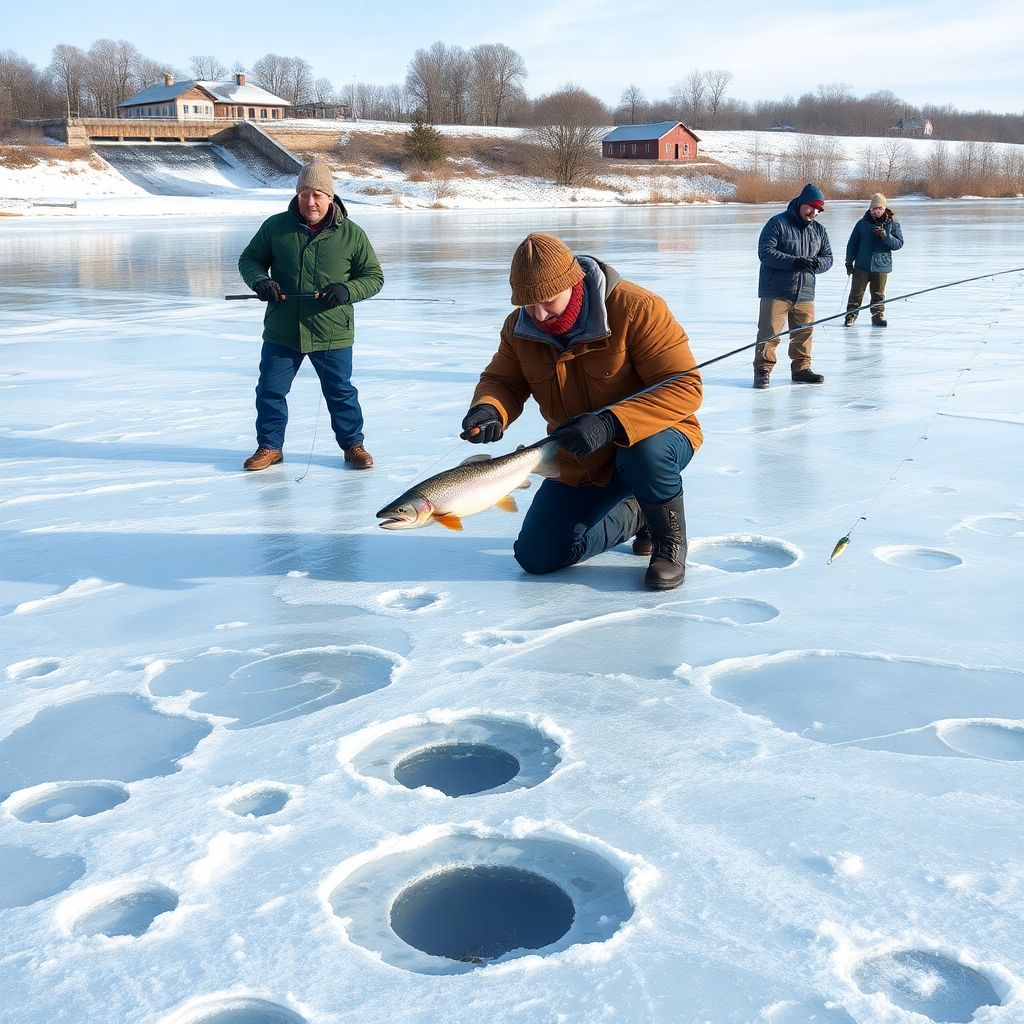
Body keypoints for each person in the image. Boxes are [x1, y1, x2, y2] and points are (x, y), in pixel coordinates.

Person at [460, 233, 702, 590]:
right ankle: (638, 515)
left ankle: (668, 541)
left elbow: (684, 387)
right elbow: (502, 380)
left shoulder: (637, 308)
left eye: (547, 301)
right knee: (537, 557)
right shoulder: (519, 327)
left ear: (573, 283)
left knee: (644, 455)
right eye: (528, 304)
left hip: (657, 438)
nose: (538, 314)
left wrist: (610, 422)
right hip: (579, 457)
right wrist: (488, 408)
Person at [238, 156, 383, 471]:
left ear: (331, 198)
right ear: (297, 196)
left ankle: (353, 446)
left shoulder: (352, 234)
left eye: (318, 195)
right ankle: (269, 447)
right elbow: (249, 260)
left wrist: (347, 291)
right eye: (305, 195)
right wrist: (261, 281)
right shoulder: (276, 227)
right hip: (283, 329)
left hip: (332, 329)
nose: (311, 201)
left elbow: (373, 277)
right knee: (270, 390)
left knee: (340, 391)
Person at [752, 183, 833, 389]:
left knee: (804, 333)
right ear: (801, 203)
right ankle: (763, 370)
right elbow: (765, 252)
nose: (814, 212)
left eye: (818, 210)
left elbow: (828, 258)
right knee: (769, 332)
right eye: (811, 207)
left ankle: (801, 369)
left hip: (805, 292)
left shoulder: (819, 231)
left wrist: (817, 264)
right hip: (776, 291)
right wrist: (794, 262)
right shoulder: (777, 223)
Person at [844, 192, 904, 328]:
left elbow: (898, 244)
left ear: (884, 209)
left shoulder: (893, 224)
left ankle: (877, 316)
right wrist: (849, 261)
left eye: (879, 209)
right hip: (861, 266)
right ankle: (851, 316)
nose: (876, 211)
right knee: (856, 293)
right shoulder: (862, 224)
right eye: (874, 209)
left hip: (881, 266)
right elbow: (852, 244)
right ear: (870, 209)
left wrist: (885, 236)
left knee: (878, 295)